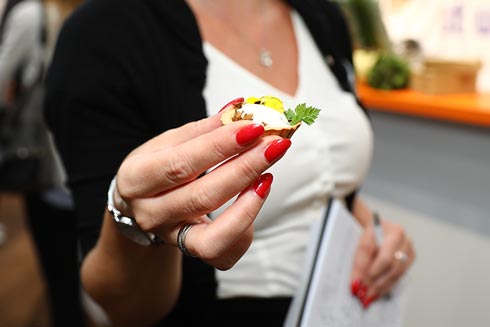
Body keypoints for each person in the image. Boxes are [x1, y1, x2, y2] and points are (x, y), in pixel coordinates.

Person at [44, 0, 415, 326]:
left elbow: (320, 175)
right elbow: (126, 308)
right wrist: (135, 219)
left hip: (344, 309)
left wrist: (373, 230)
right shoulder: (102, 35)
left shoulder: (320, 15)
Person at [0, 0, 84, 326]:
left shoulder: (31, 14)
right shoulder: (110, 12)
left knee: (62, 282)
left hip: (52, 173)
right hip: (98, 170)